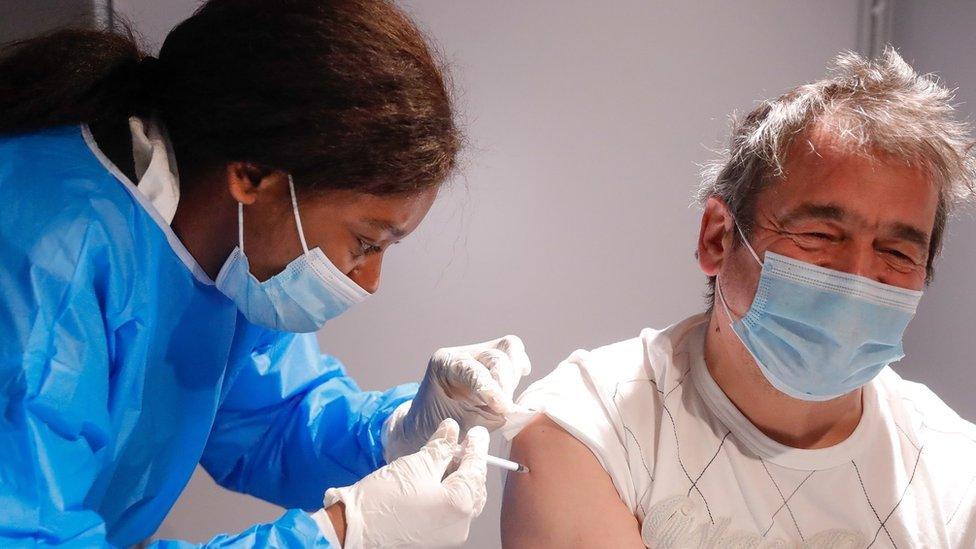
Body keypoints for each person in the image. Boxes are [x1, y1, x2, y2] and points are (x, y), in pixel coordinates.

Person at [0, 1, 532, 547]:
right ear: (253, 175)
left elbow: (273, 419)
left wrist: (398, 434)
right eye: (366, 242)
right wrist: (341, 534)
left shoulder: (226, 251)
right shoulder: (43, 261)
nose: (369, 280)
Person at [501, 49, 976, 547]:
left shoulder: (954, 472)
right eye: (819, 233)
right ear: (718, 237)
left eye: (896, 252)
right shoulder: (592, 425)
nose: (857, 275)